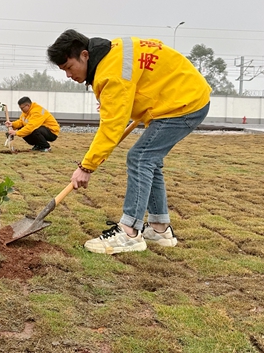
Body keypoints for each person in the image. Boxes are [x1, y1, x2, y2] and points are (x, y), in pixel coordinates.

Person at [47, 29, 211, 254]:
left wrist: (86, 166)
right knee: (150, 160)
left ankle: (129, 232)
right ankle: (160, 228)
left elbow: (111, 127)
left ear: (85, 55)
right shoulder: (111, 52)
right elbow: (148, 64)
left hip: (183, 103)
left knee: (140, 157)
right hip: (180, 95)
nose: (68, 75)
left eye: (68, 67)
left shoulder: (111, 73)